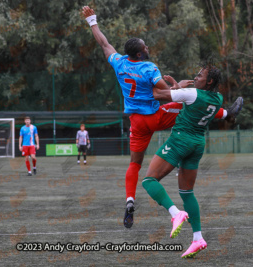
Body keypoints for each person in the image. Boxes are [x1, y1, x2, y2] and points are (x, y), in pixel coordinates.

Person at [82, 6, 243, 228]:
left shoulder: (119, 62)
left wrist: (92, 21)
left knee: (135, 163)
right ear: (140, 53)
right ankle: (226, 114)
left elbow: (104, 44)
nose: (147, 47)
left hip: (136, 122)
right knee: (191, 104)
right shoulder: (149, 67)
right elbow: (162, 93)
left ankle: (130, 201)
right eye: (144, 46)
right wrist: (177, 87)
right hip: (156, 116)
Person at [142, 64, 224, 258]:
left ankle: (175, 213)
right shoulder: (218, 98)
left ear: (209, 81)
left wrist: (175, 86)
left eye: (200, 75)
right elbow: (191, 100)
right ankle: (198, 238)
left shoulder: (192, 93)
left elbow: (157, 95)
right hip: (197, 143)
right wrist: (179, 89)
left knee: (148, 181)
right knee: (187, 193)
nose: (196, 77)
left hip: (181, 140)